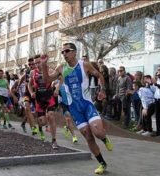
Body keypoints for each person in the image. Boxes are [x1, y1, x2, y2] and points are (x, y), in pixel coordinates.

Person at [41, 43, 113, 174]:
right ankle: (102, 163)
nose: (64, 54)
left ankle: (104, 138)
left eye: (67, 51)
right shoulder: (61, 68)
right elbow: (47, 79)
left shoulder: (84, 64)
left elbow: (99, 76)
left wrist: (102, 90)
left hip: (87, 105)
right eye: (62, 52)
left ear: (74, 52)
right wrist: (43, 65)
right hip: (74, 109)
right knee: (88, 136)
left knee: (98, 133)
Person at [28, 54, 58, 149]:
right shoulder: (33, 72)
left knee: (51, 116)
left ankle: (54, 140)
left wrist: (57, 88)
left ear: (43, 61)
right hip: (39, 99)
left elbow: (61, 79)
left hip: (49, 97)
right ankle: (43, 124)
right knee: (42, 122)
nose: (37, 64)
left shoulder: (50, 70)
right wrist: (31, 92)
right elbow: (29, 84)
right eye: (35, 63)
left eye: (38, 62)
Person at [17, 58, 38, 135]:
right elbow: (22, 78)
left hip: (37, 94)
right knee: (27, 107)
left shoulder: (39, 71)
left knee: (35, 113)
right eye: (30, 64)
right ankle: (33, 128)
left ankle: (23, 123)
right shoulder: (27, 71)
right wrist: (18, 86)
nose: (31, 66)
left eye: (33, 64)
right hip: (27, 94)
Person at [55, 75, 78, 143]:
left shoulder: (71, 83)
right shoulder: (58, 85)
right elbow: (55, 94)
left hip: (72, 103)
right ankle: (74, 136)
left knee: (69, 120)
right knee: (68, 117)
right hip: (64, 104)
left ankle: (67, 127)